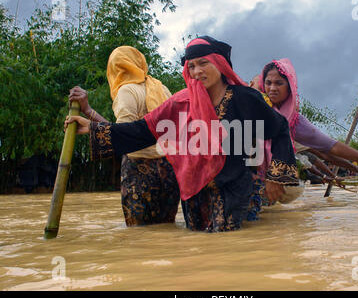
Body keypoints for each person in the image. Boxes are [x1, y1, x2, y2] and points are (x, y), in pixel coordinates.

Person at [65, 36, 300, 232]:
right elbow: (143, 130)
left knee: (227, 246)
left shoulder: (245, 99)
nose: (196, 71)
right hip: (193, 194)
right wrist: (94, 127)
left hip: (233, 188)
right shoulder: (180, 102)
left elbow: (278, 129)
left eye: (202, 63)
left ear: (219, 64)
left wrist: (275, 178)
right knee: (198, 250)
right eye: (191, 66)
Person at [247, 58, 358, 220]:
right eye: (268, 83)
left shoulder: (294, 122)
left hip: (261, 185)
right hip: (240, 178)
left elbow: (330, 149)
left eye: (279, 83)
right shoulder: (250, 107)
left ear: (290, 88)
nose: (272, 88)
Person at [68, 46, 180, 227]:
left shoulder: (127, 90)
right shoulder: (162, 88)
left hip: (139, 169)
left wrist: (88, 112)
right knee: (167, 227)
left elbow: (124, 136)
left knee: (138, 235)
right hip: (169, 169)